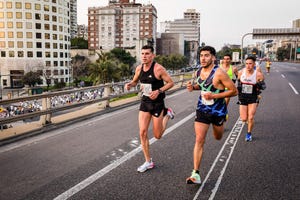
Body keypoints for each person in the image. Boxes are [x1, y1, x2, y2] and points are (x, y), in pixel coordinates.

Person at [186, 46, 238, 184]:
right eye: (201, 55)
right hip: (202, 109)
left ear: (213, 58)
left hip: (218, 112)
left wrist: (214, 95)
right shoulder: (198, 72)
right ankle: (195, 173)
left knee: (218, 137)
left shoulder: (219, 73)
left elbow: (234, 91)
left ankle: (223, 120)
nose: (203, 58)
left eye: (206, 55)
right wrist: (193, 88)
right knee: (199, 139)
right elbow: (201, 86)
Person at [125, 45, 175, 173]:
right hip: (145, 102)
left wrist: (159, 91)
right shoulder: (139, 68)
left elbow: (170, 83)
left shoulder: (158, 69)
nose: (144, 56)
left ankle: (167, 114)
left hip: (157, 103)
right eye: (142, 54)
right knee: (142, 132)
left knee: (157, 136)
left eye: (147, 54)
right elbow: (135, 81)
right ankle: (148, 161)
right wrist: (130, 84)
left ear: (152, 55)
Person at [237, 56, 265, 142]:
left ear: (254, 64)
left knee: (251, 117)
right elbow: (239, 83)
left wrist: (259, 85)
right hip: (243, 97)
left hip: (253, 97)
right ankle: (247, 121)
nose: (248, 66)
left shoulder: (258, 74)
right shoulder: (241, 72)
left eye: (250, 64)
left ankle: (249, 133)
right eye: (246, 64)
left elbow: (263, 86)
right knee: (244, 118)